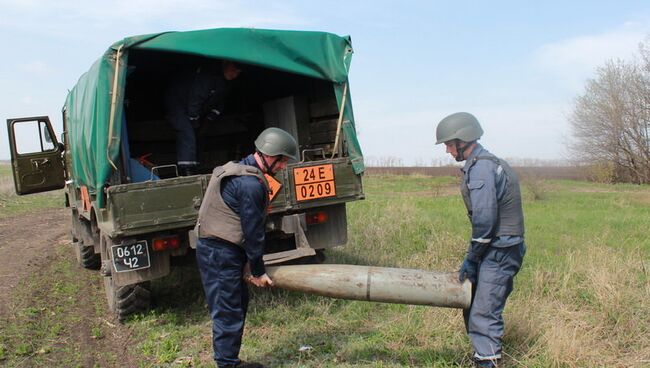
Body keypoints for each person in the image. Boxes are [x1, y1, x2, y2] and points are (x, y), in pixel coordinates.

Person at [194, 127, 298, 368]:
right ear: (269, 156)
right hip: (219, 252)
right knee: (227, 309)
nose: (283, 167)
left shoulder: (238, 167)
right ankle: (227, 363)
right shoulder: (250, 185)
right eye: (282, 160)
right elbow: (253, 233)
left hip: (221, 248)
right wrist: (258, 271)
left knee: (235, 304)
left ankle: (230, 360)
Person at [435, 112, 526, 368]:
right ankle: (484, 355)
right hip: (498, 248)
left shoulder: (482, 169)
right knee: (474, 305)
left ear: (463, 140)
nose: (447, 150)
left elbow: (485, 220)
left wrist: (472, 258)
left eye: (449, 144)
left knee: (483, 313)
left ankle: (487, 362)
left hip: (499, 251)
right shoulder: (484, 163)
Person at [165, 60, 242, 176]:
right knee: (187, 133)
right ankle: (187, 171)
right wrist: (195, 122)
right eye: (233, 70)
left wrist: (208, 120)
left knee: (198, 135)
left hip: (195, 109)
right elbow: (195, 100)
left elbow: (219, 104)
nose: (234, 74)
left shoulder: (226, 84)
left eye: (237, 72)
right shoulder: (208, 75)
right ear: (226, 64)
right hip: (178, 102)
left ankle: (196, 167)